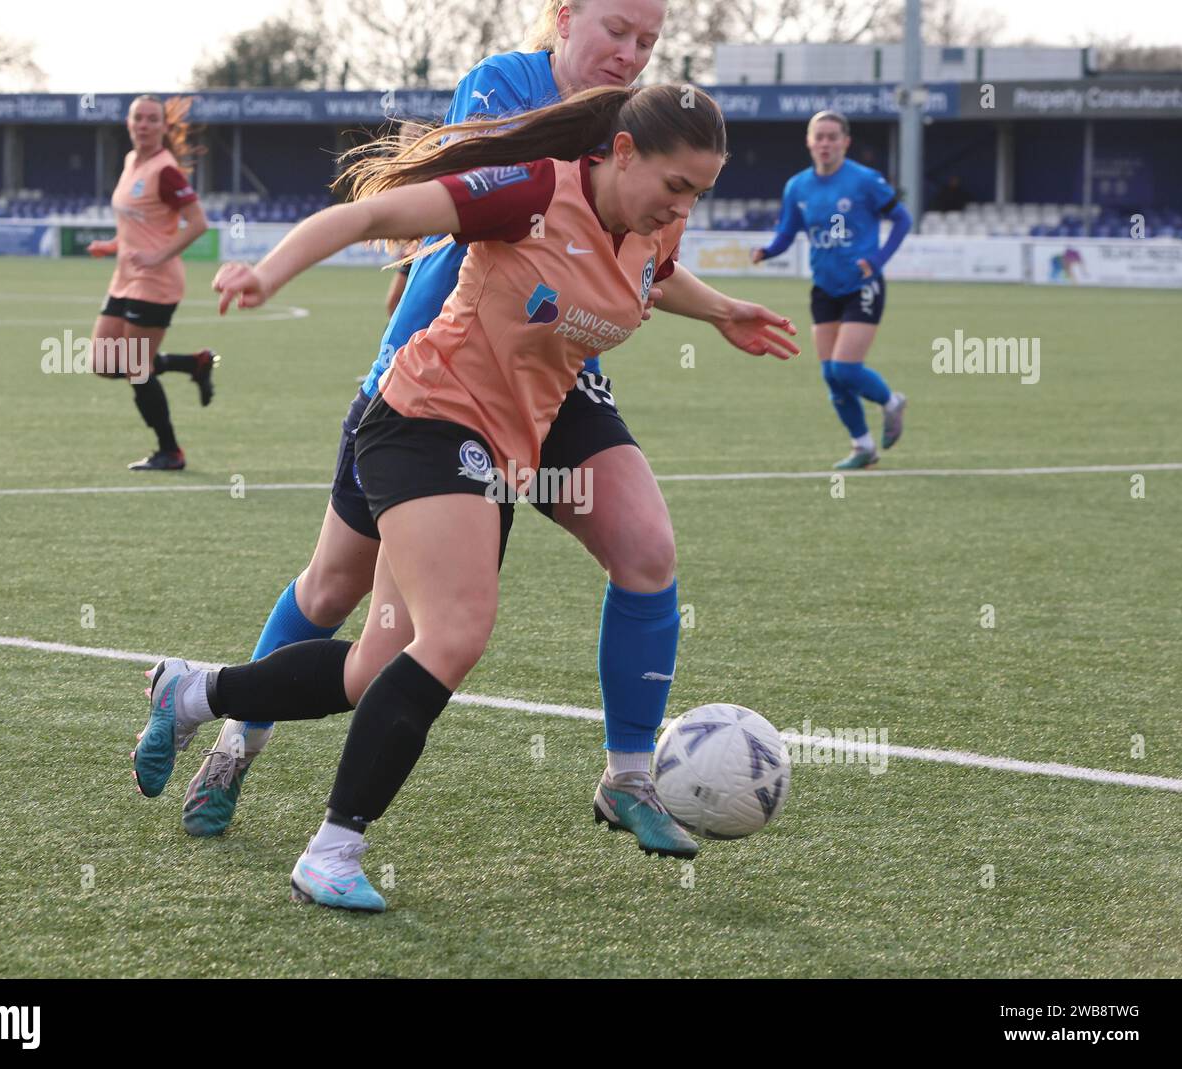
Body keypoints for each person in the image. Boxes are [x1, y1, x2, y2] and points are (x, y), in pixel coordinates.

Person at [131, 84, 799, 912]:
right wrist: (267, 273)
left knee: (370, 666)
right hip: (423, 422)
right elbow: (371, 219)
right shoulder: (530, 191)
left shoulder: (656, 224)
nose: (684, 206)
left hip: (497, 454)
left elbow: (653, 274)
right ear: (622, 154)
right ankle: (333, 850)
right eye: (676, 185)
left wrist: (724, 309)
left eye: (700, 190)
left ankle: (193, 691)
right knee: (458, 629)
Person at [181, 1, 722, 854]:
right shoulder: (512, 88)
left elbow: (649, 266)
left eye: (648, 42)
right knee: (334, 595)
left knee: (648, 549)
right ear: (564, 18)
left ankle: (627, 776)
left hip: (554, 380)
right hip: (434, 381)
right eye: (617, 31)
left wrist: (725, 311)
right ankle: (230, 739)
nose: (631, 54)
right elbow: (469, 204)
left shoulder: (651, 147)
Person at [751, 110, 912, 469]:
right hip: (824, 287)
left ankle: (891, 403)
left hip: (862, 285)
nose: (825, 143)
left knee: (846, 369)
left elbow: (903, 219)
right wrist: (767, 251)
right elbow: (788, 232)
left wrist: (878, 259)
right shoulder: (798, 186)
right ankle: (863, 448)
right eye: (818, 137)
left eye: (832, 137)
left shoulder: (864, 181)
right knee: (831, 376)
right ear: (809, 142)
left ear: (845, 142)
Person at [88, 94, 219, 472]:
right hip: (125, 276)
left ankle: (171, 452)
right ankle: (194, 363)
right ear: (128, 124)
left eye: (151, 119)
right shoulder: (131, 162)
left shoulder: (166, 171)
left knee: (135, 368)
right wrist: (112, 245)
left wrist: (157, 257)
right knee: (102, 361)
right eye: (137, 118)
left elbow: (198, 223)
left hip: (157, 282)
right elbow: (140, 225)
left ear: (163, 127)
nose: (143, 125)